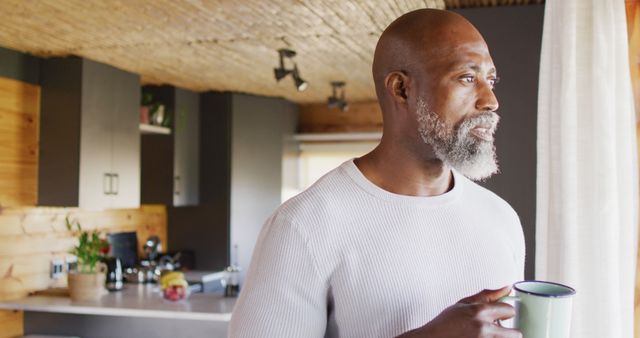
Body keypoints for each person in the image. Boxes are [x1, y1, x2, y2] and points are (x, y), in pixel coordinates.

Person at [229, 8, 525, 338]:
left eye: (491, 80)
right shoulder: (302, 225)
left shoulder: (502, 218)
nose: (491, 100)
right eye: (467, 78)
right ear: (401, 89)